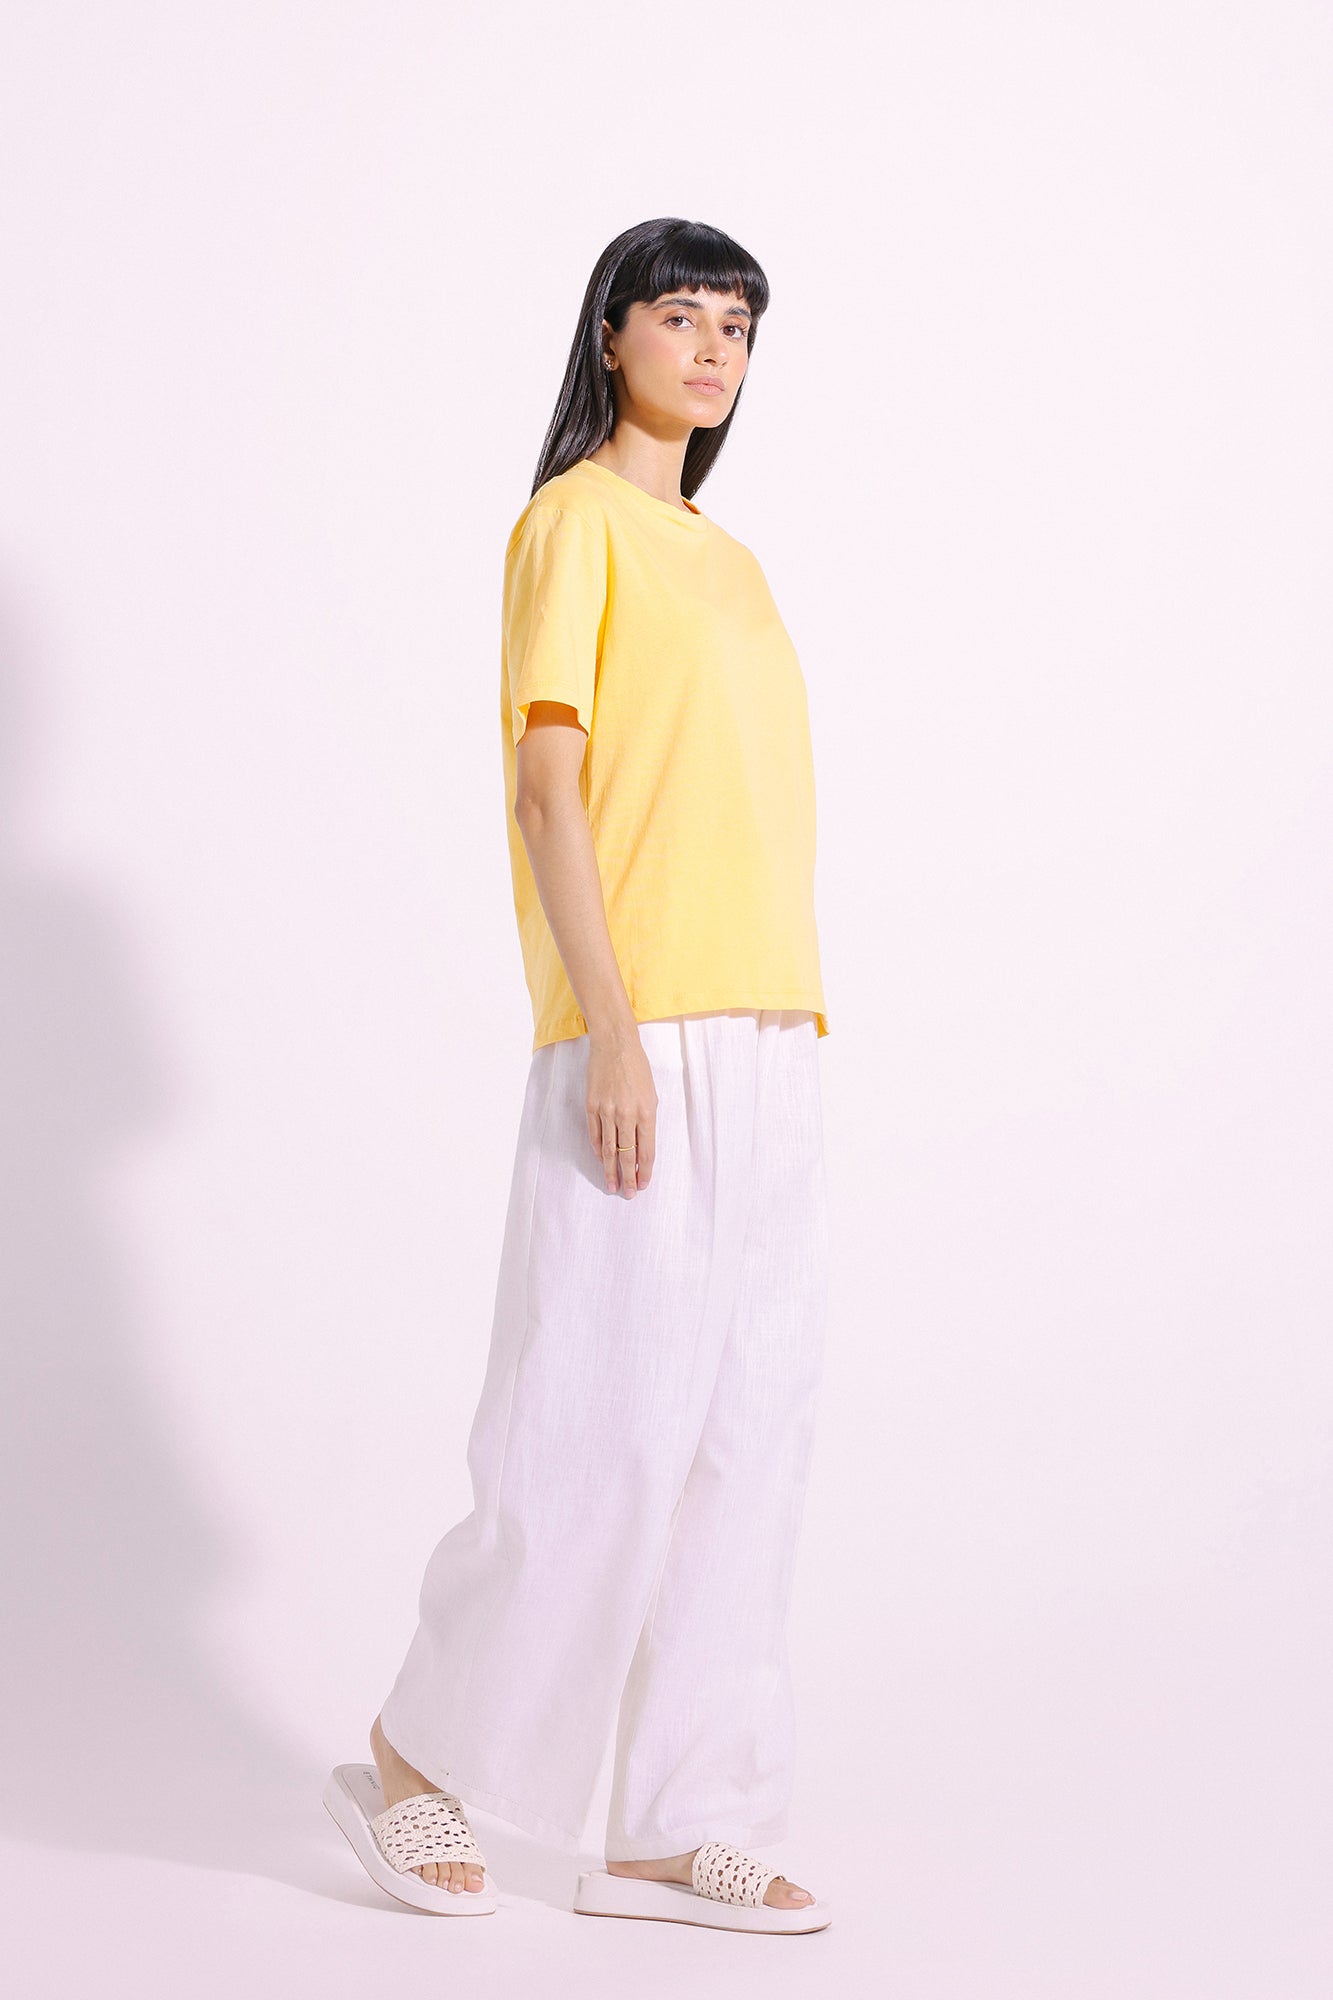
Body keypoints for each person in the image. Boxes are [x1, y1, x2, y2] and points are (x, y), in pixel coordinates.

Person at [324, 217, 833, 1935]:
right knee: (591, 1421)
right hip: (637, 1029)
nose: (712, 349)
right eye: (680, 316)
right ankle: (416, 1761)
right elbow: (550, 791)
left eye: (737, 326)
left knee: (745, 1439)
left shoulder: (731, 562)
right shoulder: (571, 522)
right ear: (612, 334)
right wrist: (607, 1023)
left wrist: (771, 1027)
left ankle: (684, 1823)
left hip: (771, 1029)